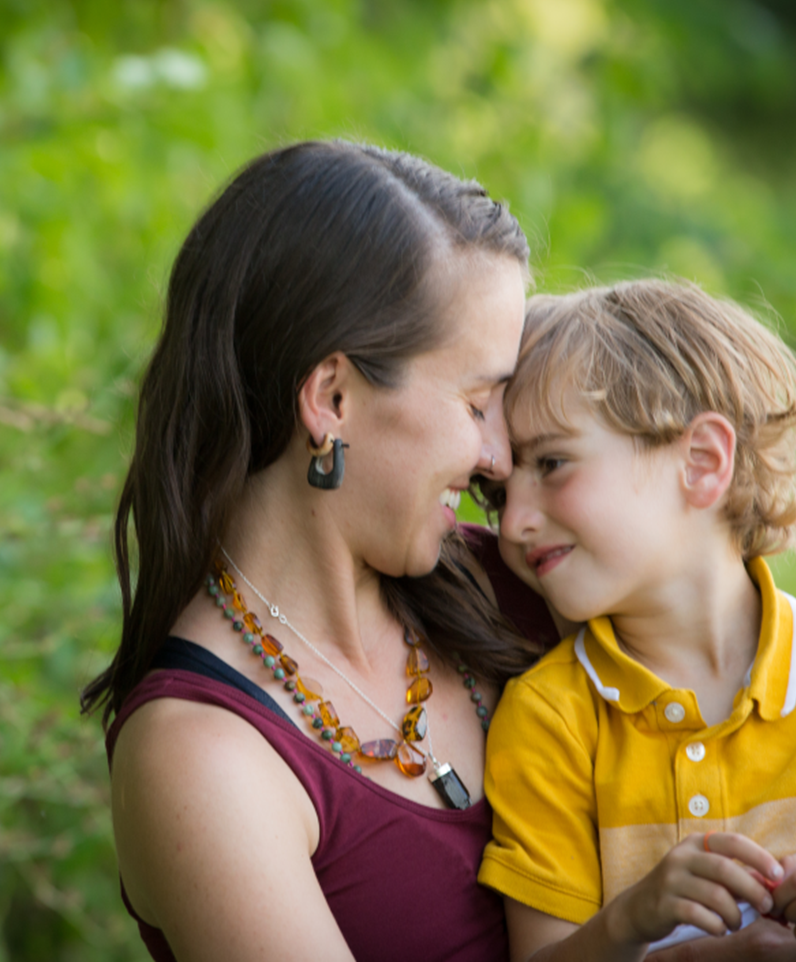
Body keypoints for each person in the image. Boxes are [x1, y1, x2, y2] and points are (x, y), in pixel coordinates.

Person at [82, 139, 553, 961]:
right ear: (331, 397)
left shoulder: (517, 582)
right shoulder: (202, 753)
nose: (498, 458)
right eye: (476, 401)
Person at [478, 278, 796, 961]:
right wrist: (633, 923)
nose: (512, 522)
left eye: (551, 463)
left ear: (702, 462)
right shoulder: (548, 720)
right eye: (496, 491)